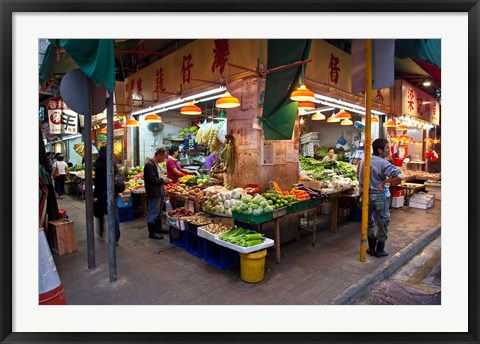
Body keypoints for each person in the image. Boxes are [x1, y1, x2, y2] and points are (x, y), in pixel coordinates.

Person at [357, 138, 403, 258]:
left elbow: (358, 177)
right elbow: (399, 176)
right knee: (383, 222)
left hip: (365, 196)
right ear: (380, 150)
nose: (389, 150)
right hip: (378, 196)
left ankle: (371, 247)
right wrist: (385, 181)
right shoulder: (383, 163)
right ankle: (380, 249)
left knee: (368, 222)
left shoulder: (363, 161)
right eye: (387, 148)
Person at [93, 146, 121, 244]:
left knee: (100, 212)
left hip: (102, 192)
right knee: (114, 214)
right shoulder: (112, 164)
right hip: (114, 192)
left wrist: (95, 195)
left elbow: (97, 182)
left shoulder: (99, 164)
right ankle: (116, 237)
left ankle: (101, 231)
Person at [144, 148, 172, 239]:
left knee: (158, 211)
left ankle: (158, 228)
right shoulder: (149, 165)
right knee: (153, 212)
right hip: (154, 192)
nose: (164, 159)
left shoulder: (154, 164)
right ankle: (152, 232)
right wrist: (163, 180)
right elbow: (152, 180)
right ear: (159, 154)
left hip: (159, 191)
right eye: (163, 157)